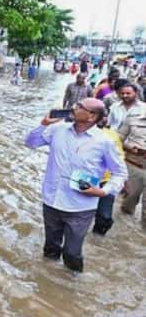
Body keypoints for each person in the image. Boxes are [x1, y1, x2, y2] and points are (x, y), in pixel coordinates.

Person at [25, 98, 127, 272]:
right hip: (52, 200)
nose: (74, 107)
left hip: (80, 207)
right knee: (50, 248)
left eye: (80, 107)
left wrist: (103, 191)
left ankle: (72, 285)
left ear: (91, 116)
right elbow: (30, 143)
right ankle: (47, 281)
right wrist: (43, 124)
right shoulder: (58, 129)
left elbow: (120, 172)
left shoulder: (104, 142)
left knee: (72, 253)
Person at [92, 109, 124, 236]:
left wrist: (123, 181)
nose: (102, 118)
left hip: (107, 180)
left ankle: (97, 238)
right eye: (97, 115)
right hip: (86, 178)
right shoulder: (78, 132)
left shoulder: (112, 135)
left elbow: (120, 159)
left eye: (104, 116)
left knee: (105, 217)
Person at [117, 103, 146, 230]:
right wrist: (130, 149)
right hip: (135, 164)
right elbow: (118, 139)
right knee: (128, 202)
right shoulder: (133, 117)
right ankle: (123, 231)